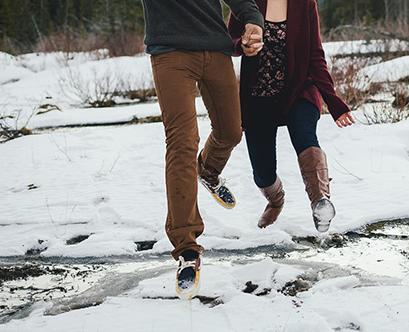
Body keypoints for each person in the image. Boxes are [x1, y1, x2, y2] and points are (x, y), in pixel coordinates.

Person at [141, 0, 265, 300]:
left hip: (215, 49)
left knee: (231, 131)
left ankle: (208, 170)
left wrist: (253, 22)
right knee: (182, 143)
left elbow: (242, 3)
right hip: (170, 53)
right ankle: (186, 247)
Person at [227, 0, 354, 233]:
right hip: (258, 96)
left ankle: (321, 202)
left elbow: (315, 54)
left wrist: (333, 100)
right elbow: (230, 41)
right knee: (263, 173)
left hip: (298, 89)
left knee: (305, 135)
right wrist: (242, 45)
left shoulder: (305, 3)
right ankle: (276, 201)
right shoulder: (248, 3)